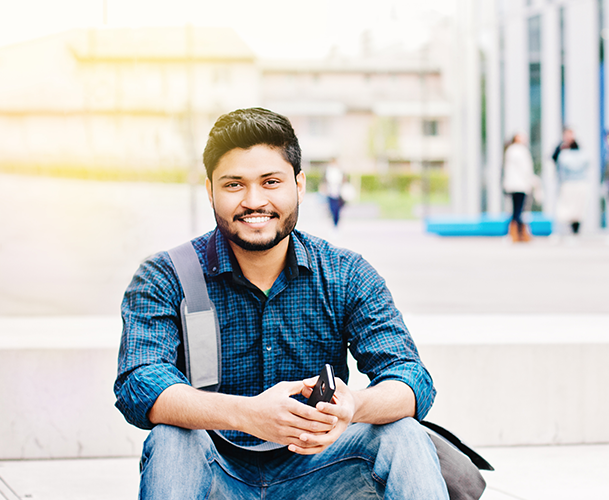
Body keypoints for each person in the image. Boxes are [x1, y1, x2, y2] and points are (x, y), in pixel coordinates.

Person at [114, 108, 448, 499]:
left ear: (299, 184)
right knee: (173, 440)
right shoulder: (166, 276)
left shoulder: (344, 274)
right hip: (213, 472)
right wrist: (249, 414)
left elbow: (410, 378)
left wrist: (353, 404)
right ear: (210, 190)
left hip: (322, 470)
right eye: (234, 185)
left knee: (403, 432)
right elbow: (140, 384)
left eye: (271, 182)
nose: (254, 201)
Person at [552, 128, 590, 235]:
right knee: (572, 208)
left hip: (573, 182)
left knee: (575, 208)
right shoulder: (561, 149)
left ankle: (575, 229)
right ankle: (571, 230)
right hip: (572, 183)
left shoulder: (572, 152)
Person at [502, 133, 536, 242]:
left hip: (512, 185)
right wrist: (531, 182)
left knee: (515, 209)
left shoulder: (509, 150)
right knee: (519, 210)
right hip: (521, 185)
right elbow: (526, 170)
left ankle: (517, 234)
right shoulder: (521, 151)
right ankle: (517, 234)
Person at [323, 158, 345, 227]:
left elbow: (343, 180)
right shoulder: (329, 170)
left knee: (336, 210)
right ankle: (333, 223)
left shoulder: (339, 171)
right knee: (331, 208)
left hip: (338, 193)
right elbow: (325, 180)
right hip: (330, 192)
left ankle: (336, 224)